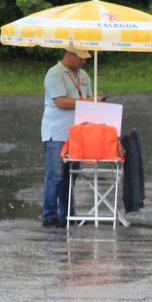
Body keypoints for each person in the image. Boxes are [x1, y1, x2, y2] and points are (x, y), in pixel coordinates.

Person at [40, 45, 100, 227]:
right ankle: (50, 215)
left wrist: (95, 102)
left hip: (77, 133)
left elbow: (89, 100)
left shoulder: (84, 76)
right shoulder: (54, 73)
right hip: (57, 133)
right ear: (69, 54)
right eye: (81, 57)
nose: (84, 61)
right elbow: (60, 101)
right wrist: (86, 101)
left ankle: (68, 214)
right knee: (56, 175)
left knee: (71, 176)